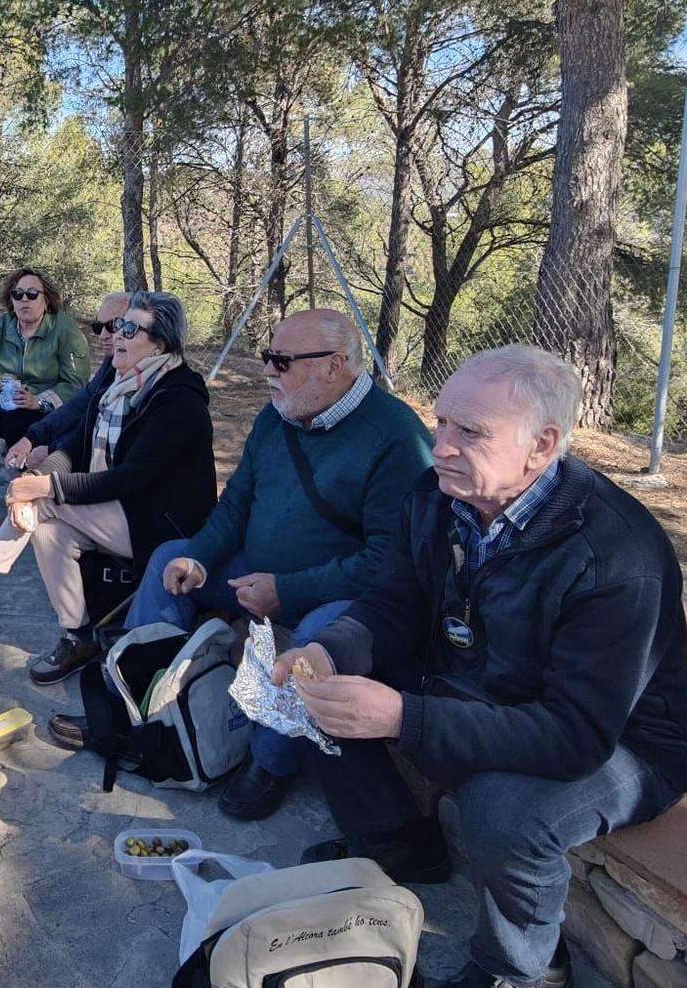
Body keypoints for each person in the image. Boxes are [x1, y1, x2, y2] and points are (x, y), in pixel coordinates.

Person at [273, 345, 687, 988]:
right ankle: (401, 845)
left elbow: (576, 737)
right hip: (486, 679)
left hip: (627, 742)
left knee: (504, 806)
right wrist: (326, 654)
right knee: (330, 685)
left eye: (469, 432)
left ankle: (525, 969)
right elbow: (393, 604)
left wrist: (405, 715)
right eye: (441, 423)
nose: (439, 446)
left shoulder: (613, 553)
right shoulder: (439, 495)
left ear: (543, 446)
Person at [47, 308, 433, 825]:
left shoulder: (395, 437)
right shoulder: (277, 414)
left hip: (339, 594)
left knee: (316, 637)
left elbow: (390, 563)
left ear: (334, 366)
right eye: (266, 357)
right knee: (168, 558)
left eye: (281, 360)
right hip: (260, 571)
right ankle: (135, 710)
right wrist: (200, 557)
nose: (267, 371)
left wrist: (288, 591)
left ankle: (270, 763)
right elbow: (236, 504)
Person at [0, 292, 215, 686]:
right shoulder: (116, 385)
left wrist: (44, 487)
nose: (115, 334)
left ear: (161, 342)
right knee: (48, 529)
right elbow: (75, 446)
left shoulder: (177, 398)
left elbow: (132, 477)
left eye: (129, 328)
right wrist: (38, 480)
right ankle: (78, 637)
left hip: (162, 524)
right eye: (117, 325)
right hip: (120, 510)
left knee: (46, 504)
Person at [0, 267, 90, 505]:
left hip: (49, 411)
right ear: (11, 300)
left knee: (17, 422)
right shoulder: (3, 326)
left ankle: (29, 491)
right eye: (18, 294)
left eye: (33, 294)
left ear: (46, 300)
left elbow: (77, 384)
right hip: (8, 402)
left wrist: (40, 400)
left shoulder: (64, 329)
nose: (25, 299)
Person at [2, 290, 131, 476]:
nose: (102, 335)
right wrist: (31, 438)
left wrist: (53, 450)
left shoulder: (155, 384)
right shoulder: (112, 363)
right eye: (98, 327)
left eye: (113, 326)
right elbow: (80, 405)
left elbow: (99, 426)